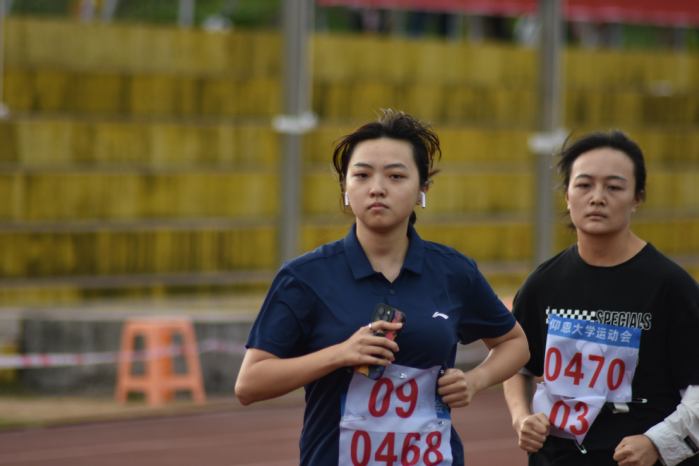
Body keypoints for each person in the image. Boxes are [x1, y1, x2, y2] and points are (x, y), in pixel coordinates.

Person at [235, 109, 529, 465]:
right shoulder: (305, 277)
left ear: (422, 188)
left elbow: (515, 343)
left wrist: (476, 380)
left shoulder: (453, 272)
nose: (377, 188)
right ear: (345, 187)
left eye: (395, 176)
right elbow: (249, 384)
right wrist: (340, 354)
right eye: (361, 175)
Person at [502, 130, 699, 466]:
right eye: (584, 184)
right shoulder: (543, 283)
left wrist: (657, 442)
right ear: (567, 195)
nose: (597, 197)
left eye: (614, 187)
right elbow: (515, 362)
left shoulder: (672, 287)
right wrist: (522, 418)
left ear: (637, 197)